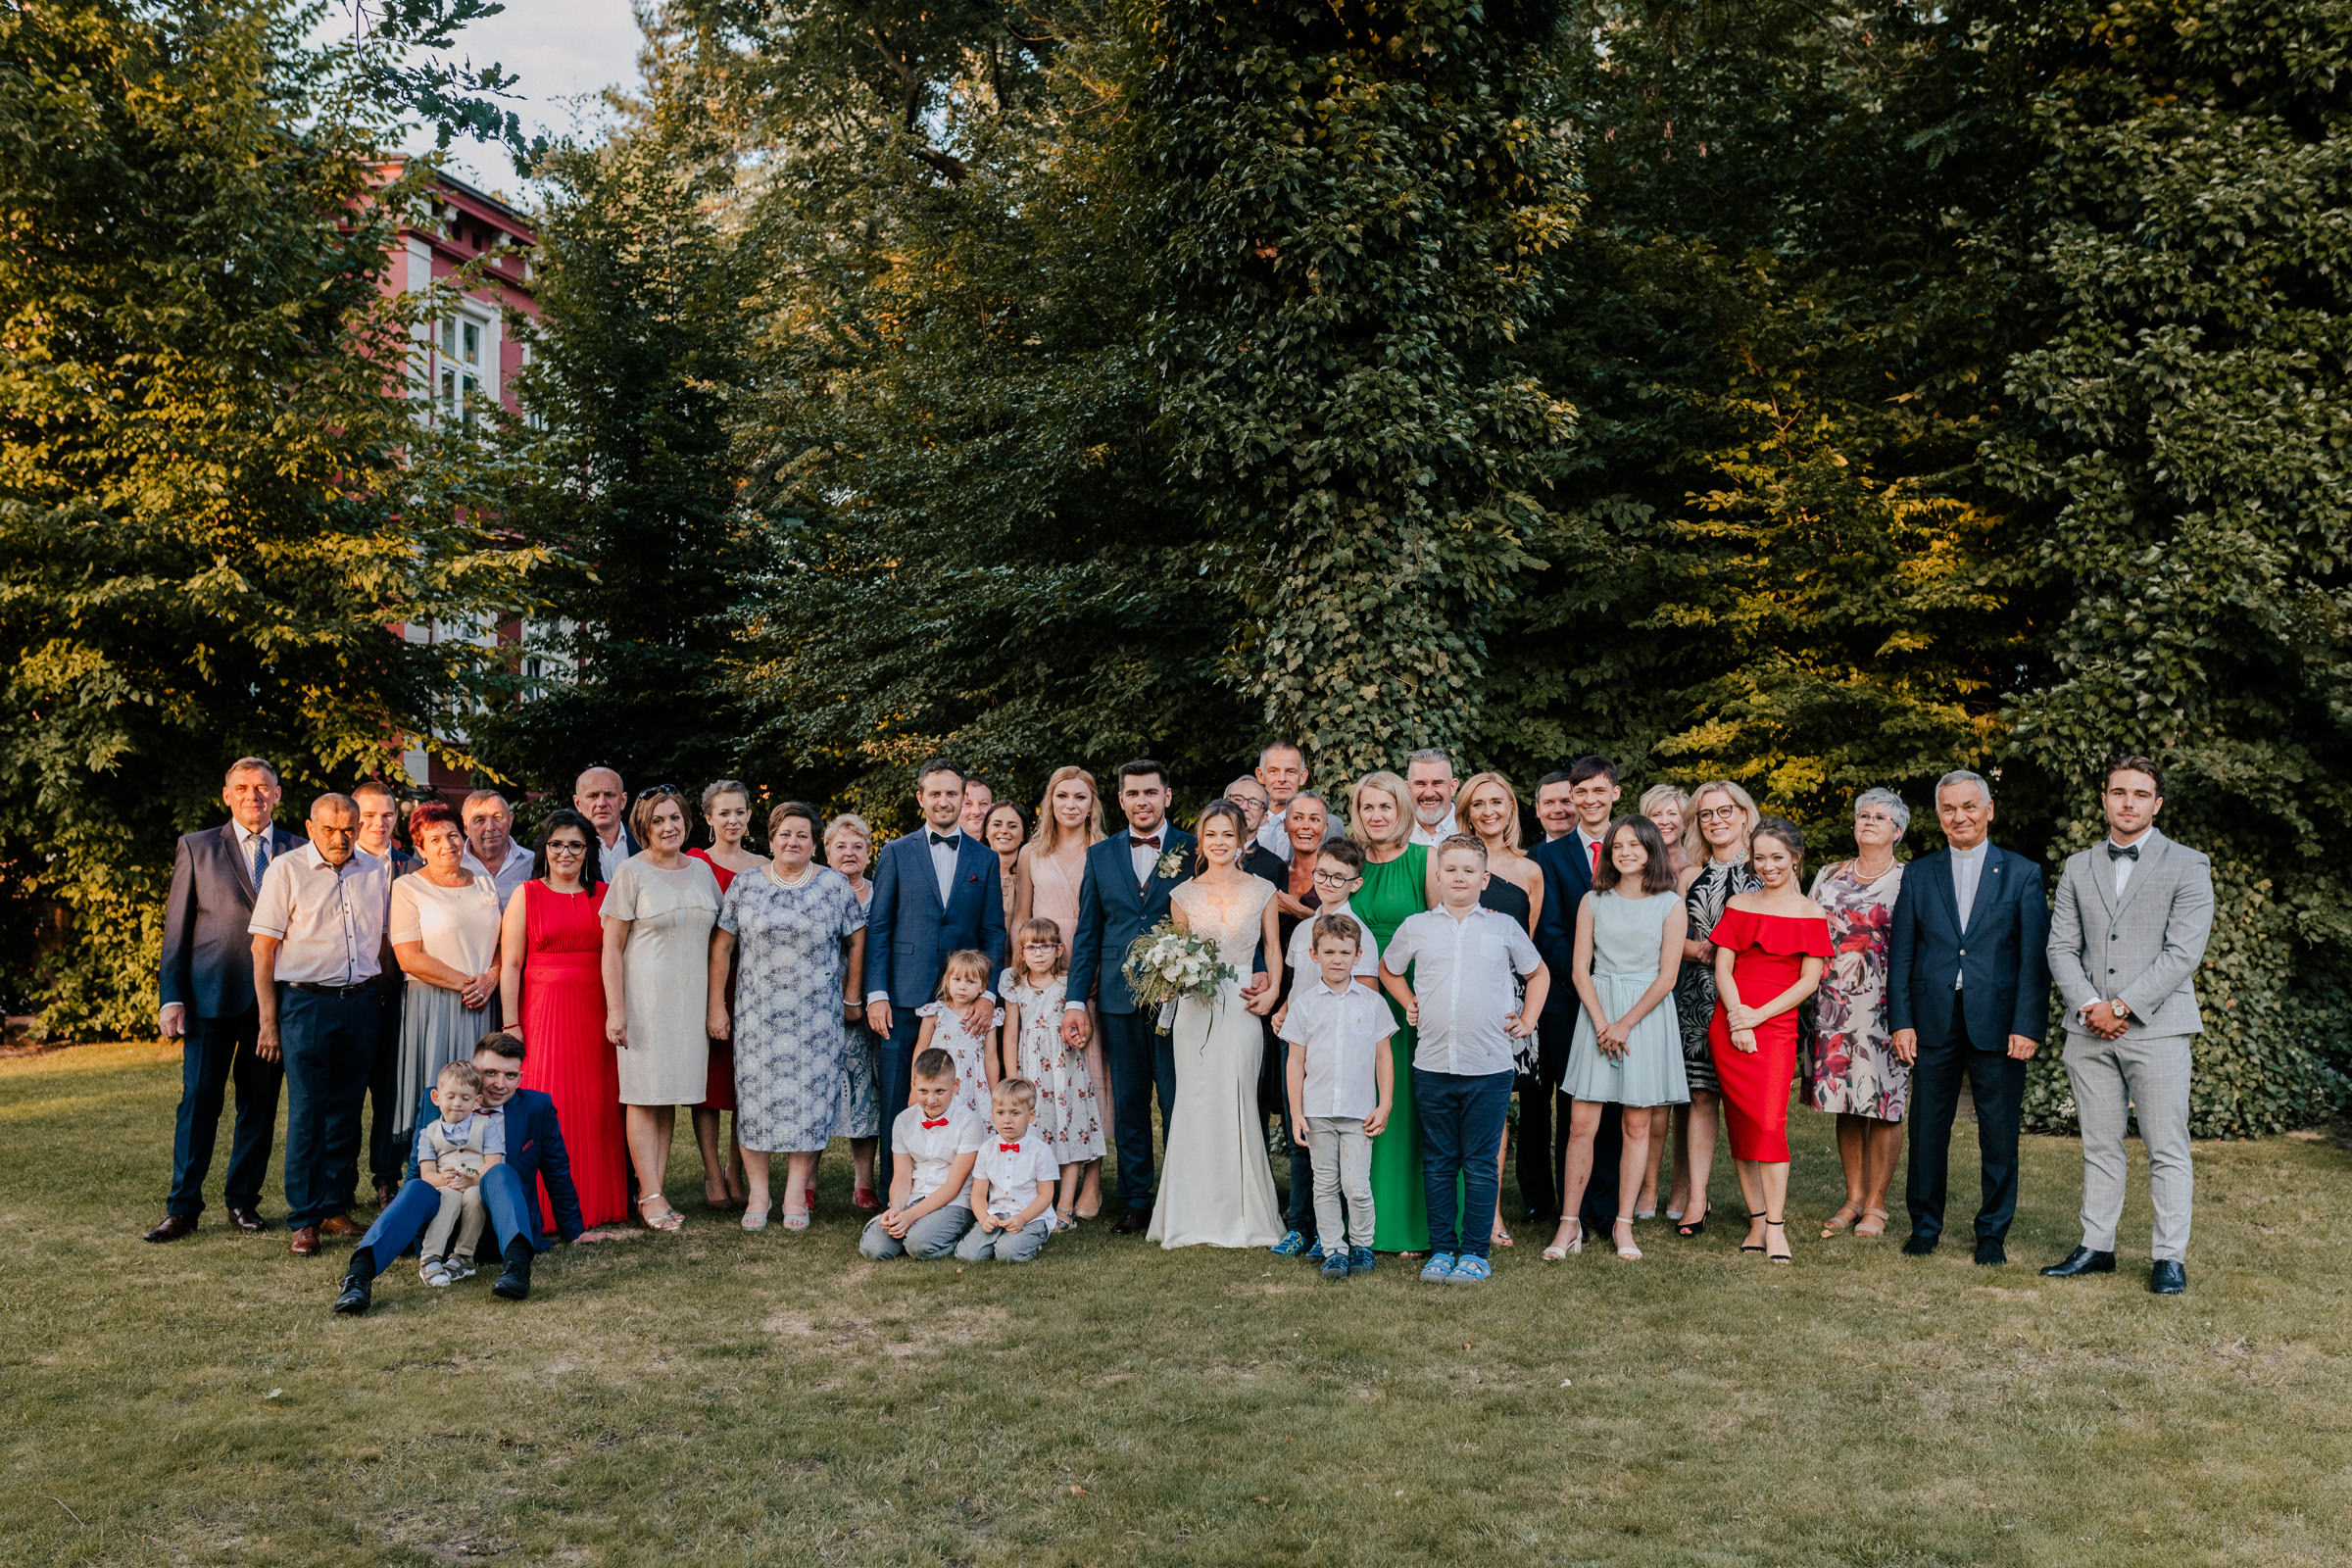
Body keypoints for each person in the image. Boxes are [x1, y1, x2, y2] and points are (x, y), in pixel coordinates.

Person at [2041, 758, 2214, 1296]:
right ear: (2105, 799)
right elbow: (2061, 947)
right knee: (2099, 1145)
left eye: (2141, 794)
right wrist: (2091, 1004)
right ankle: (2097, 1246)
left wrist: (2120, 1008)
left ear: (2156, 804)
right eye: (2119, 792)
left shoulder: (2188, 864)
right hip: (2087, 1029)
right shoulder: (2078, 866)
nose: (2129, 803)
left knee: (2167, 1147)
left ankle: (2169, 1257)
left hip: (2157, 1028)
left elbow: (2183, 952)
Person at [1887, 769, 2051, 1265]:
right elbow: (1902, 954)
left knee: (1998, 1132)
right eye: (1949, 809)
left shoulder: (2022, 873)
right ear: (1939, 816)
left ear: (1989, 810)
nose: (1960, 816)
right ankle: (1925, 1227)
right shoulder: (1919, 874)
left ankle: (1992, 1234)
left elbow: (2033, 959)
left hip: (1998, 1022)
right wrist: (1901, 1021)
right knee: (1927, 1129)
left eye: (1969, 806)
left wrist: (2027, 1025)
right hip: (1932, 1018)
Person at [1380, 834, 1549, 1284]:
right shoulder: (1417, 926)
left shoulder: (1503, 927)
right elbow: (1388, 969)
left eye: (1469, 871)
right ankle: (1441, 1250)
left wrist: (1528, 1019)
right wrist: (1409, 1001)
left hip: (1489, 1066)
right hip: (1432, 1064)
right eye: (1451, 870)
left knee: (1479, 1162)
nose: (1459, 877)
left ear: (1484, 879)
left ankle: (1475, 1252)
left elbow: (1538, 973)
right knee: (1438, 1160)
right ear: (1437, 876)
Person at [148, 758, 303, 1243]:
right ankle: (182, 1207)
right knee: (199, 1103)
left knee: (259, 1106)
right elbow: (176, 930)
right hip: (209, 1000)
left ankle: (243, 1200)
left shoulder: (300, 849)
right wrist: (171, 997)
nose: (252, 795)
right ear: (227, 795)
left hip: (273, 1004)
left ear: (277, 794)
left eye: (262, 787)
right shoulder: (197, 848)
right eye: (242, 787)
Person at [334, 1031, 590, 1314]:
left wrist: (574, 1231)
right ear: (474, 1071)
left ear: (520, 1077)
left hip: (501, 1230)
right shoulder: (440, 1099)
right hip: (443, 1227)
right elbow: (417, 1172)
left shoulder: (536, 1107)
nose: (500, 1084)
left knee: (500, 1172)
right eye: (490, 1073)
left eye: (510, 1075)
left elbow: (557, 1171)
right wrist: (391, 1226)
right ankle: (358, 1277)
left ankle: (517, 1269)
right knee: (419, 1186)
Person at [707, 802, 867, 1231]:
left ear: (814, 844)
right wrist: (716, 1005)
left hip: (816, 1018)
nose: (793, 841)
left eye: (802, 835)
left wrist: (852, 996)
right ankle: (759, 1193)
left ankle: (796, 1193)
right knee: (754, 1104)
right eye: (785, 834)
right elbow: (722, 946)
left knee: (810, 1105)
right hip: (757, 1017)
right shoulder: (745, 885)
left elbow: (857, 939)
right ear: (772, 839)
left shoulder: (834, 885)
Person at [250, 792, 392, 1255]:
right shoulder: (286, 870)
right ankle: (304, 1218)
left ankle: (334, 1207)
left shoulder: (374, 871)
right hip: (306, 1004)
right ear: (310, 828)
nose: (339, 838)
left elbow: (382, 940)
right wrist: (268, 1021)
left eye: (348, 829)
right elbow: (262, 949)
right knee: (308, 1111)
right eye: (329, 829)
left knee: (347, 1110)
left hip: (361, 1003)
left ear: (359, 828)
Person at [1548, 816, 1689, 1262]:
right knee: (1580, 1125)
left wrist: (1625, 1024)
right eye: (1618, 845)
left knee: (1636, 1125)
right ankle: (1569, 1222)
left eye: (1635, 845)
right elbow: (1579, 969)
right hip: (1598, 1009)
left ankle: (1623, 1223)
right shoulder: (1593, 901)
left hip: (1645, 1016)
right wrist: (1601, 1022)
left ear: (1651, 850)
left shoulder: (1671, 905)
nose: (1625, 852)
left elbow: (1667, 977)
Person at [1064, 760, 1196, 1233]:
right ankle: (1137, 1198)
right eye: (1133, 794)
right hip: (1118, 999)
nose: (1143, 801)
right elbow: (1088, 932)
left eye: (1151, 792)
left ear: (1167, 797)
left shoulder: (1194, 849)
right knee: (1130, 1103)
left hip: (1178, 995)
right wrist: (1075, 1001)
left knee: (1179, 1098)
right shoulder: (1100, 856)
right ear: (1121, 800)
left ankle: (1183, 1194)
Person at [1149, 800, 1285, 1249]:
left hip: (1243, 1005)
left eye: (1228, 834)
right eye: (1212, 835)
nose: (1220, 842)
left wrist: (1271, 991)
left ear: (1241, 839)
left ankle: (1242, 1213)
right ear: (1201, 842)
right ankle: (1192, 1213)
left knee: (1239, 1099)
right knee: (1195, 1101)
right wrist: (1168, 979)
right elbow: (1177, 951)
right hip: (1196, 1009)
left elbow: (1273, 948)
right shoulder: (1182, 896)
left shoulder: (1263, 889)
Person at [865, 758, 1008, 1171]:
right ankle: (895, 1189)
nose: (943, 801)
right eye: (935, 793)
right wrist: (876, 994)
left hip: (963, 999)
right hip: (904, 994)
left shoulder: (984, 858)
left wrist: (987, 994)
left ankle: (959, 1185)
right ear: (921, 798)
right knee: (900, 1093)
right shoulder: (896, 852)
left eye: (951, 793)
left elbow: (993, 932)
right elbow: (880, 927)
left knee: (962, 1095)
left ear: (963, 798)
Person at [497, 808, 629, 1232]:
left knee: (597, 1108)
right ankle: (546, 1209)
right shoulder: (527, 894)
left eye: (575, 845)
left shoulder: (606, 894)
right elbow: (511, 964)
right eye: (557, 844)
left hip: (594, 1013)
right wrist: (511, 1024)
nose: (566, 853)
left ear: (588, 850)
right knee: (547, 1104)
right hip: (543, 1015)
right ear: (545, 848)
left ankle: (598, 1202)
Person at [1709, 816, 1834, 1265]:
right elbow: (1723, 968)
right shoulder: (1740, 904)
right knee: (1741, 1124)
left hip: (1775, 1027)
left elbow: (1809, 982)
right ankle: (1757, 1220)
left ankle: (1777, 1228)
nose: (1768, 866)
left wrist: (1756, 1018)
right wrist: (1738, 1020)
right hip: (1731, 1021)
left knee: (1768, 1125)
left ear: (1795, 858)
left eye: (1777, 857)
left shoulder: (1811, 913)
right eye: (1759, 858)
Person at [600, 785, 722, 1232]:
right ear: (644, 828)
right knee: (643, 1094)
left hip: (689, 1003)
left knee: (666, 1094)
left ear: (686, 822)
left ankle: (655, 1189)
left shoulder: (701, 871)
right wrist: (617, 1010)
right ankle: (649, 1194)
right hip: (645, 1001)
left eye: (674, 818)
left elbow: (720, 939)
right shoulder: (631, 872)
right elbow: (611, 948)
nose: (668, 827)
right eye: (658, 820)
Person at [1808, 788, 1910, 1241]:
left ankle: (1876, 1204)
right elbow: (1807, 929)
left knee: (1885, 1103)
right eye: (1863, 815)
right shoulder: (1828, 875)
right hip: (1833, 1002)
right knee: (1844, 1098)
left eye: (1879, 817)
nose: (1868, 821)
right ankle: (1852, 1199)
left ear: (1898, 831)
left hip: (1887, 1003)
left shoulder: (1910, 879)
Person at [1531, 757, 1625, 1239]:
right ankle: (1571, 1206)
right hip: (1568, 998)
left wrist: (1614, 981)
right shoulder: (1549, 856)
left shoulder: (1631, 845)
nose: (1589, 800)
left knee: (1614, 1101)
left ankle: (1606, 1208)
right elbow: (1548, 929)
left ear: (1615, 794)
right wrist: (1586, 979)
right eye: (1580, 792)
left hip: (1623, 995)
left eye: (1598, 791)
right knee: (1574, 1102)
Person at [387, 801, 503, 1187]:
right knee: (441, 1094)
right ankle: (426, 1183)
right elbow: (409, 957)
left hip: (482, 1003)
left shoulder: (484, 881)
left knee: (481, 1092)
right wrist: (467, 984)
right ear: (420, 847)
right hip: (433, 1005)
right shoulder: (408, 888)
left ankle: (478, 1180)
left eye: (452, 834)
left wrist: (492, 977)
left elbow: (500, 941)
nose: (447, 844)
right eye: (434, 839)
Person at [1010, 765, 1107, 1218]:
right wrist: (1019, 965)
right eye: (1062, 796)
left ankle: (1093, 1180)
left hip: (1090, 963)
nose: (1071, 805)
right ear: (1050, 801)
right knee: (1051, 1074)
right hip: (1042, 962)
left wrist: (1096, 968)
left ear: (1092, 804)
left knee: (1093, 1072)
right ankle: (1043, 1172)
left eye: (1080, 797)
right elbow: (1021, 915)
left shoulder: (1105, 850)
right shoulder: (1031, 853)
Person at [1667, 778, 1760, 1237]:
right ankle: (1697, 1198)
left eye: (1725, 811)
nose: (1716, 821)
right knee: (1702, 1096)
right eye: (1706, 814)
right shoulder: (1689, 876)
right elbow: (1671, 939)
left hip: (1750, 998)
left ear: (1743, 815)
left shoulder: (1767, 869)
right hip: (1698, 998)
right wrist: (1698, 950)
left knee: (1747, 1102)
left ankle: (1760, 1204)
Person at [1280, 914, 1396, 1280]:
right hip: (1317, 1111)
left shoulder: (1372, 1003)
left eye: (1345, 953)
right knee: (1325, 1184)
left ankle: (1361, 1245)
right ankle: (1333, 1250)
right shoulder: (1304, 1006)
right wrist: (1296, 1112)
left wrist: (1385, 1103)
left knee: (1356, 1186)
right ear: (1314, 955)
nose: (1337, 960)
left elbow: (1383, 1056)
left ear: (1358, 956)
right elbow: (1295, 1061)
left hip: (1358, 1111)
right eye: (1329, 952)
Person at [1351, 770, 1438, 1252]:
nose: (1376, 815)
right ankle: (1365, 1223)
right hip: (1355, 994)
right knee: (1361, 1101)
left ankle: (1414, 1226)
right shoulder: (1350, 862)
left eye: (1385, 806)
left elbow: (1442, 931)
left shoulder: (1424, 860)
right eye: (1367, 807)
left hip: (1409, 998)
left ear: (1402, 809)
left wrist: (1423, 1001)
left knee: (1407, 1104)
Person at [1457, 770, 1544, 1246]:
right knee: (1453, 1104)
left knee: (1495, 1109)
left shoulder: (1530, 870)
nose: (1488, 811)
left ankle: (1489, 1214)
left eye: (1497, 802)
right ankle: (1449, 1208)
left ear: (1511, 808)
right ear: (1467, 813)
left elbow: (1527, 947)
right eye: (1478, 804)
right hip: (1455, 994)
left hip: (1506, 1001)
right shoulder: (1449, 861)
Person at [687, 780, 765, 1210]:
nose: (732, 820)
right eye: (724, 813)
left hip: (753, 983)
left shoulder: (765, 865)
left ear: (749, 816)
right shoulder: (695, 863)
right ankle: (712, 1171)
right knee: (710, 1080)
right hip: (706, 979)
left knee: (744, 1081)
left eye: (739, 812)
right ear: (709, 818)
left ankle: (737, 1168)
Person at [1001, 918, 1103, 1228]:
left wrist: (1081, 1037)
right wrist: (1012, 1077)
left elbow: (1084, 1025)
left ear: (1058, 950)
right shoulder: (1015, 986)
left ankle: (1065, 1206)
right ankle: (1034, 1203)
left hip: (1065, 1071)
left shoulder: (1068, 984)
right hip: (1031, 1071)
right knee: (1032, 1132)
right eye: (1031, 947)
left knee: (1068, 1130)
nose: (1039, 953)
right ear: (1022, 952)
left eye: (1045, 946)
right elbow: (1010, 1033)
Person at [353, 778, 419, 1208]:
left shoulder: (413, 867)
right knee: (346, 1094)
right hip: (352, 993)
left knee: (391, 1093)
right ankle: (338, 1186)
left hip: (399, 993)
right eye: (369, 815)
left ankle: (386, 1178)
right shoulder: (339, 864)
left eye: (387, 815)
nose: (378, 823)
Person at [858, 1047, 985, 1260]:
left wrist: (910, 1216)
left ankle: (958, 1235)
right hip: (915, 1196)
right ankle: (910, 1231)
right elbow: (901, 1176)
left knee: (918, 1245)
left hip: (954, 1202)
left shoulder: (969, 1122)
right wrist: (897, 1209)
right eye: (924, 1091)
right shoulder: (904, 1121)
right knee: (874, 1248)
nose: (931, 1100)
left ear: (955, 1085)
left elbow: (953, 1186)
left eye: (939, 1091)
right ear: (913, 1085)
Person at [1631, 782, 1692, 1216]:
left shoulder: (1698, 864)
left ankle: (1683, 1189)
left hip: (1694, 985)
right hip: (1650, 982)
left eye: (1674, 813)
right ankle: (1648, 1187)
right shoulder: (1637, 864)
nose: (1666, 821)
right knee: (1651, 1097)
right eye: (1657, 813)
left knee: (1690, 1095)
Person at [822, 813, 884, 1208]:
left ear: (869, 853)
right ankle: (806, 1182)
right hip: (819, 1004)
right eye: (841, 846)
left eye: (857, 846)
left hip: (867, 1007)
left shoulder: (881, 893)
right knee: (816, 1092)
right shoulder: (814, 891)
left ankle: (864, 1182)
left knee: (867, 1092)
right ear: (827, 852)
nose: (849, 853)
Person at [410, 1058, 504, 1287]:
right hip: (446, 1185)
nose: (457, 1103)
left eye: (465, 1098)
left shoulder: (486, 1126)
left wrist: (472, 1180)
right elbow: (427, 1174)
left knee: (474, 1196)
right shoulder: (428, 1133)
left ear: (477, 1101)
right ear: (436, 1097)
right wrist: (443, 1179)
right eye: (450, 1096)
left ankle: (463, 1257)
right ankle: (430, 1258)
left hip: (476, 1182)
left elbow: (494, 1162)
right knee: (449, 1196)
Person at [956, 1077, 1063, 1262]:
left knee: (1007, 1253)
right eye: (1000, 1113)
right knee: (968, 1254)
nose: (1007, 1120)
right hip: (998, 1213)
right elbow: (978, 1195)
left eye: (1015, 1113)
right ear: (992, 1114)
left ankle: (1031, 1239)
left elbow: (1046, 1195)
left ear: (1031, 1116)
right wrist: (984, 1218)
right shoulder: (987, 1149)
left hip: (1031, 1216)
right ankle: (999, 1239)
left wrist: (1022, 1218)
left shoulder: (1040, 1151)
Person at [916, 949, 1001, 1123]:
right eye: (957, 979)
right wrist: (915, 1087)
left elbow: (991, 1058)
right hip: (938, 1084)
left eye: (970, 981)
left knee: (971, 1127)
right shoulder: (935, 1013)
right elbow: (921, 1049)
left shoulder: (986, 1020)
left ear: (982, 987)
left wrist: (995, 1096)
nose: (962, 986)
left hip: (974, 1088)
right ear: (947, 981)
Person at [460, 790, 537, 914]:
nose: (490, 827)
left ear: (510, 820)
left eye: (497, 817)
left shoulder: (532, 863)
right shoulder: (456, 865)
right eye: (480, 820)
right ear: (465, 827)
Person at [573, 767, 637, 885]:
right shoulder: (568, 852)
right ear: (578, 804)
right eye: (593, 796)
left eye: (609, 795)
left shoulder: (646, 844)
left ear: (623, 801)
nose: (602, 803)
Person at [1251, 740, 1310, 861]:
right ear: (1260, 775)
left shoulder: (1327, 825)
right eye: (1273, 771)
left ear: (1302, 776)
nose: (1282, 779)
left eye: (1290, 772)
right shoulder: (1240, 823)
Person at [983, 800, 1029, 928]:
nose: (1003, 831)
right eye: (997, 825)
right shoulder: (972, 874)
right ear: (986, 831)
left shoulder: (1034, 878)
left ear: (1024, 834)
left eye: (1012, 826)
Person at [1404, 749, 1460, 847]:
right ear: (1408, 789)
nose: (1429, 794)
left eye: (1437, 783)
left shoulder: (1471, 827)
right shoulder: (1394, 831)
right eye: (1421, 784)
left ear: (1452, 787)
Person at [1534, 770, 1576, 843]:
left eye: (1566, 801)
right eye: (1548, 803)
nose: (1557, 810)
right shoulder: (1526, 851)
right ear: (1538, 810)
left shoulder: (1596, 849)